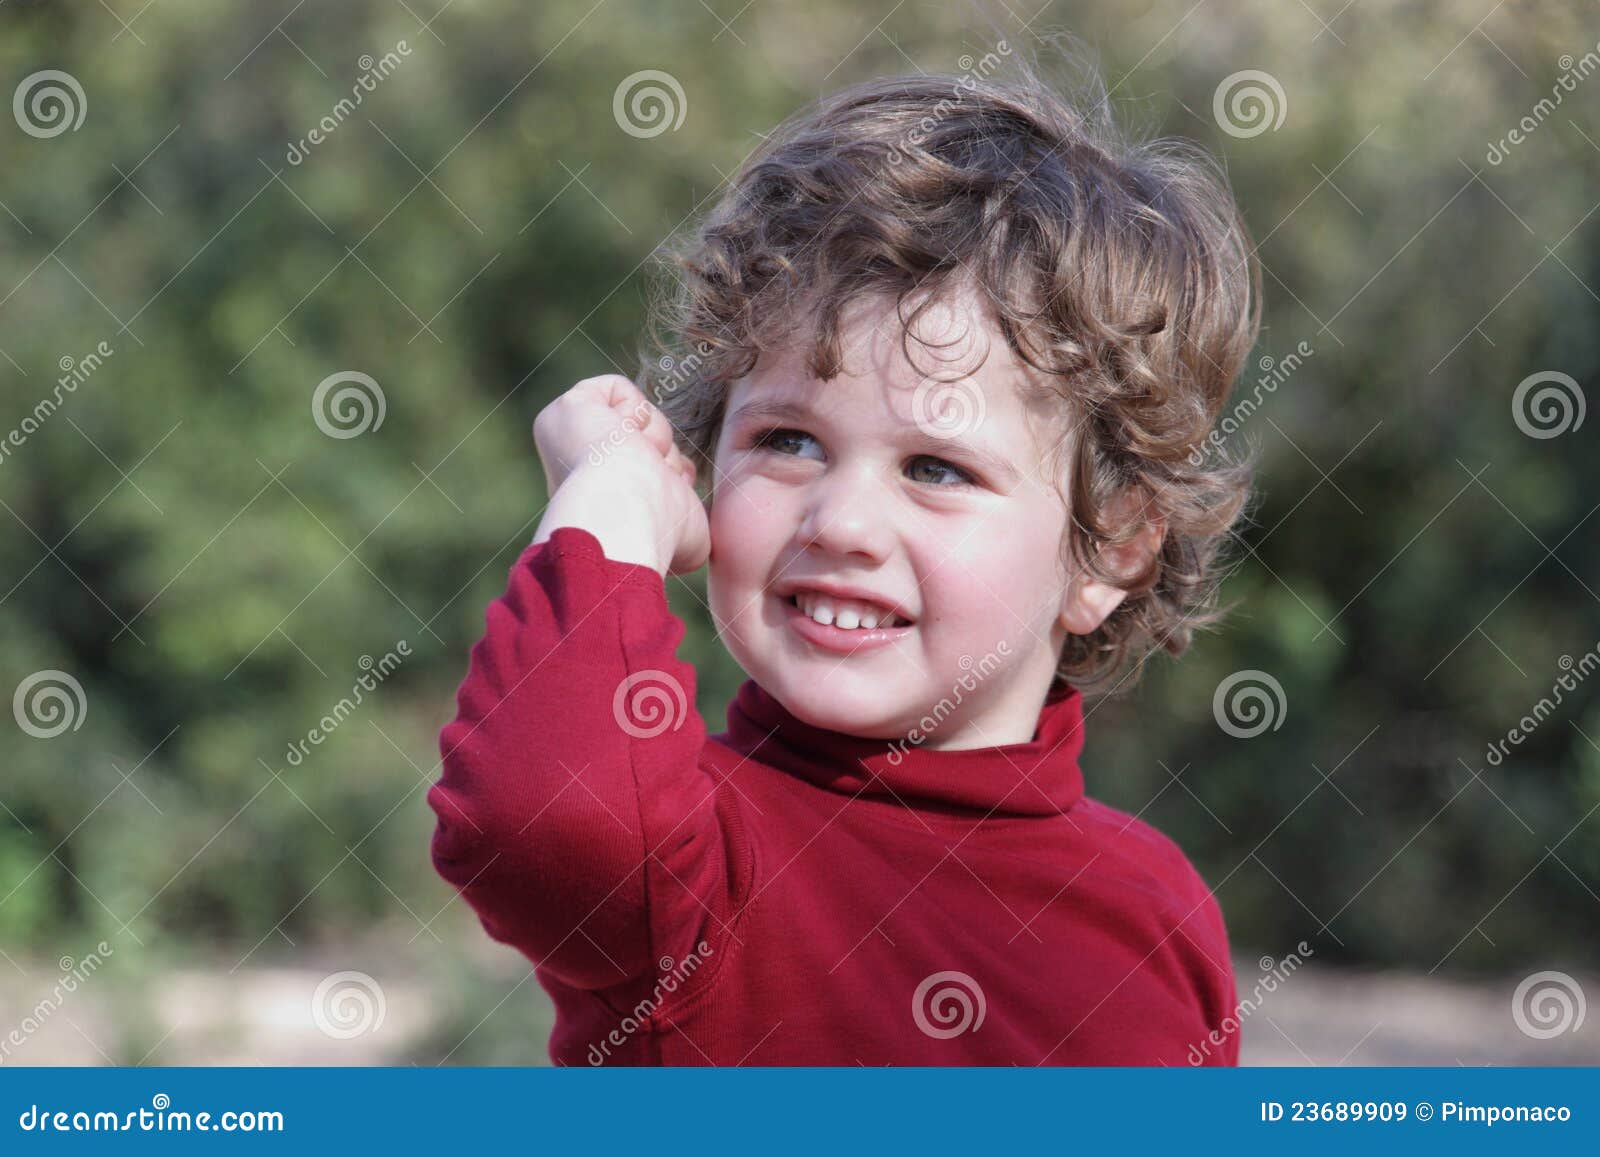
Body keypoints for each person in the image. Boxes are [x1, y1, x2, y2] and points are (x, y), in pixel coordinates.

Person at [427, 61, 1261, 1065]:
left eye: (936, 468)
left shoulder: (1158, 916)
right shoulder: (692, 863)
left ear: (1112, 547)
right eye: (788, 441)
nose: (842, 521)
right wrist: (610, 498)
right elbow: (537, 816)